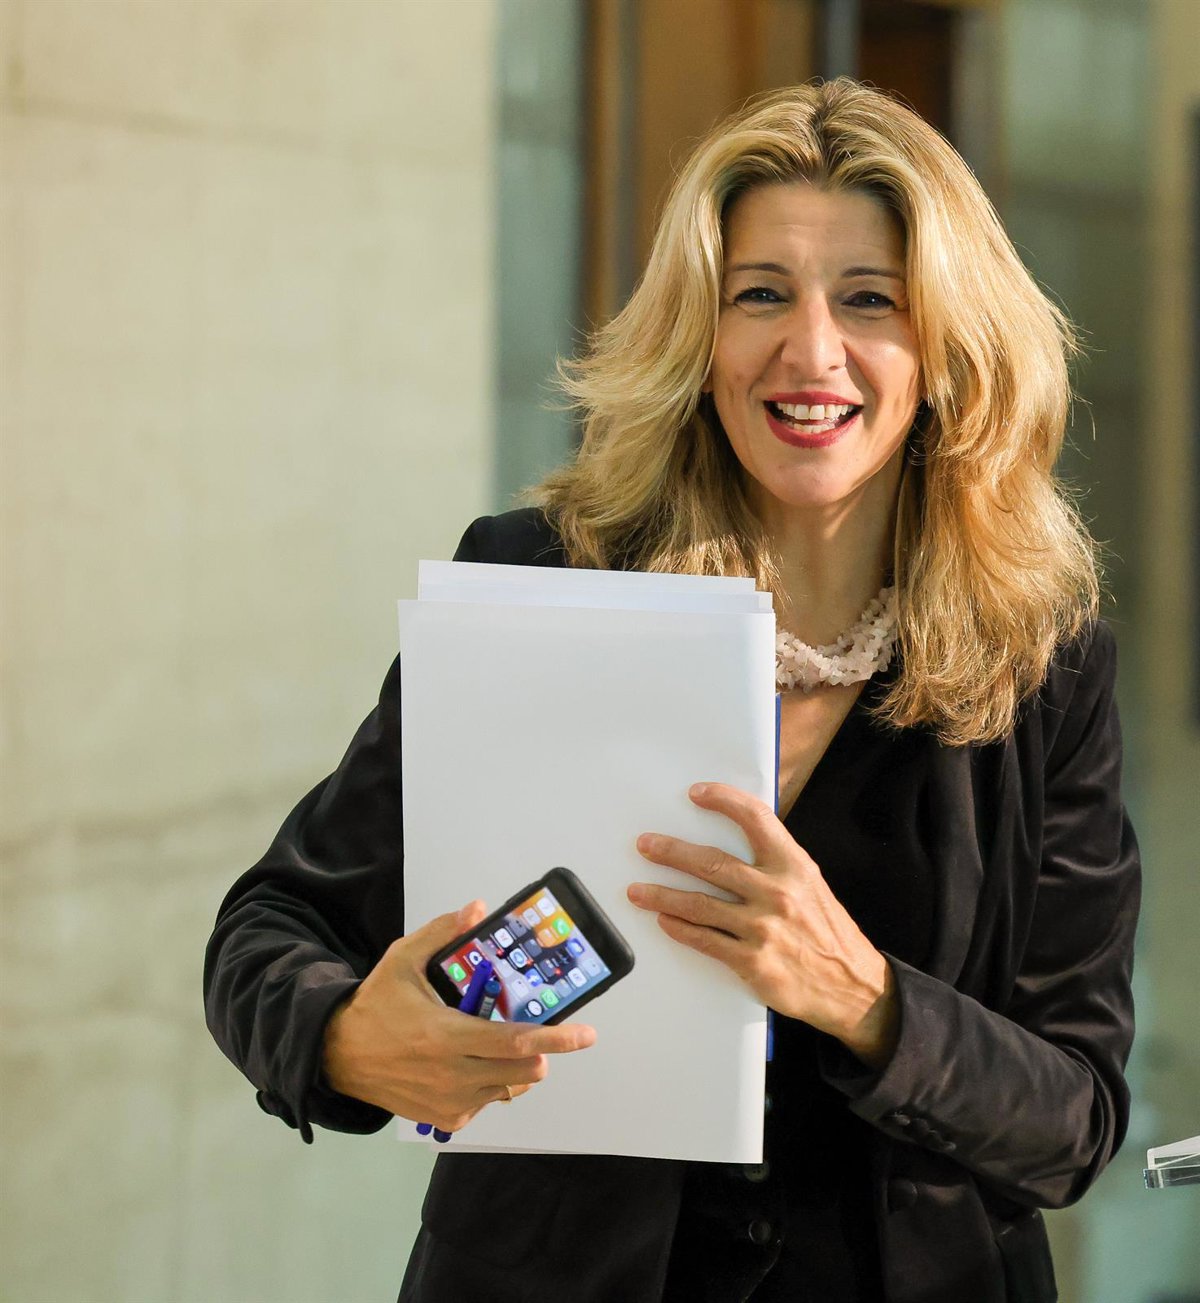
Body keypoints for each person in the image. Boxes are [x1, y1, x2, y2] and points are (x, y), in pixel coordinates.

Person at [204, 79, 1140, 1303]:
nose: (812, 351)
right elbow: (268, 928)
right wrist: (340, 1037)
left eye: (870, 298)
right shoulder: (540, 583)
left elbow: (1076, 1117)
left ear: (949, 346)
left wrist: (863, 997)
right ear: (699, 337)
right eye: (761, 294)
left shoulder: (1042, 660)